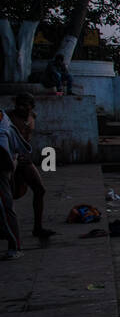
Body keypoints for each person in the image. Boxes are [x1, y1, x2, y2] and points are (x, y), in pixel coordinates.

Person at [9, 94, 54, 240]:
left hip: (25, 159)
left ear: (31, 106)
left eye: (24, 105)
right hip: (9, 160)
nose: (20, 108)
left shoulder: (32, 116)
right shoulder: (8, 117)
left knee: (40, 190)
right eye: (18, 104)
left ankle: (38, 227)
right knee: (8, 195)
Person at [0, 107, 31, 259]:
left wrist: (12, 165)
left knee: (6, 208)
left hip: (4, 167)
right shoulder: (5, 118)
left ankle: (15, 246)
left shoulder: (3, 124)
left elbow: (6, 155)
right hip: (9, 163)